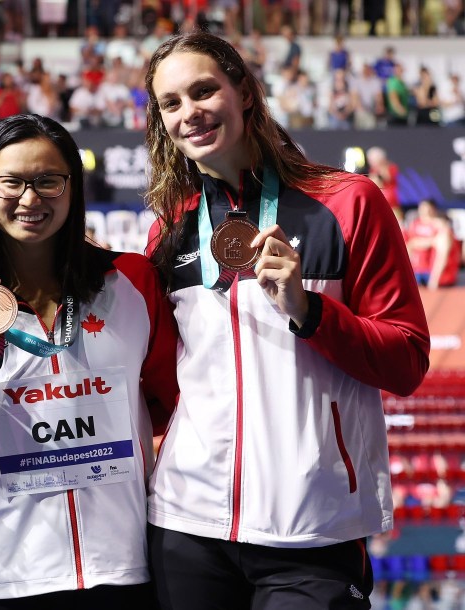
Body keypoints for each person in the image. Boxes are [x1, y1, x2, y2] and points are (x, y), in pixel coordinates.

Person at [141, 31, 430, 610]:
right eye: (171, 103)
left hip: (312, 526)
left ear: (244, 93)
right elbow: (161, 383)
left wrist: (310, 310)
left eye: (204, 91)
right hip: (186, 522)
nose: (189, 113)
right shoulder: (169, 229)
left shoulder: (347, 202)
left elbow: (406, 360)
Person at [0, 113, 179, 608]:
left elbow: (175, 404)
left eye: (48, 181)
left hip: (124, 567)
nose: (30, 198)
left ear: (72, 187)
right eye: (12, 182)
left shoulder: (132, 282)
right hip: (8, 576)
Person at [404, 199, 461, 289]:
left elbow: (443, 247)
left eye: (428, 211)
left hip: (435, 274)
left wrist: (434, 280)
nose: (425, 214)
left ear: (433, 211)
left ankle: (434, 279)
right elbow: (410, 244)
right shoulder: (414, 224)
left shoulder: (441, 226)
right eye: (422, 210)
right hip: (417, 271)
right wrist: (431, 241)